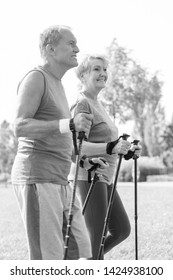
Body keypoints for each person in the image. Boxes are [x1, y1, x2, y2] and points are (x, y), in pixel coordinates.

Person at [11, 26, 108, 260]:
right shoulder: (37, 78)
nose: (77, 48)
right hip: (38, 177)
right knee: (49, 258)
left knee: (80, 249)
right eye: (71, 43)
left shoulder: (58, 83)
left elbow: (61, 136)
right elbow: (20, 127)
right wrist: (69, 124)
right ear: (51, 49)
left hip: (61, 180)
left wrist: (84, 161)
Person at [69, 54, 142, 259]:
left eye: (104, 69)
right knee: (95, 240)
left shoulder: (98, 103)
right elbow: (75, 147)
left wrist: (126, 150)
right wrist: (112, 147)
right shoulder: (82, 103)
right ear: (83, 75)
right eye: (96, 69)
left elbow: (107, 144)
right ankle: (87, 264)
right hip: (89, 176)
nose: (103, 73)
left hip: (105, 176)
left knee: (121, 230)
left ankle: (85, 262)